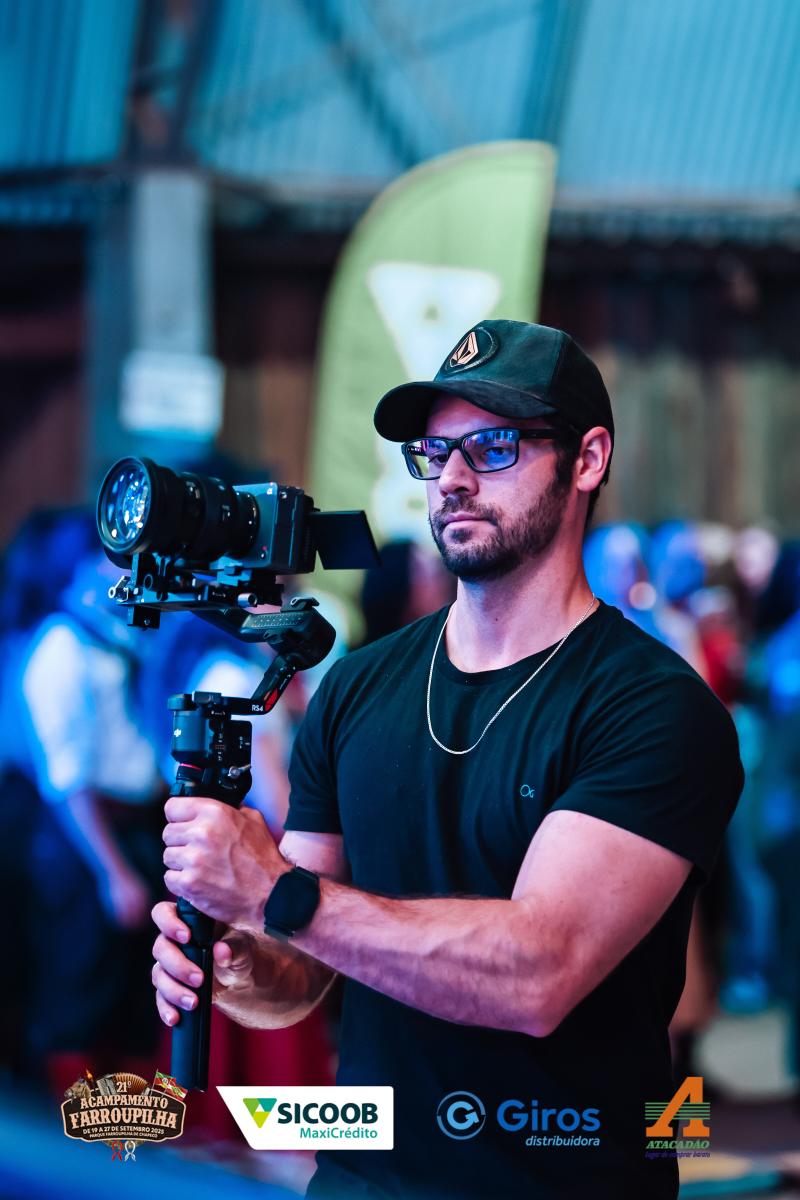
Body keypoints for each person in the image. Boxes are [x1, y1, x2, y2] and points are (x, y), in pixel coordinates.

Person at [152, 320, 744, 1200]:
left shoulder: (652, 706)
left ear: (587, 460)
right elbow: (299, 973)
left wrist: (275, 893)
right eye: (434, 454)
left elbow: (539, 975)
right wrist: (240, 958)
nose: (453, 480)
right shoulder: (356, 687)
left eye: (493, 448)